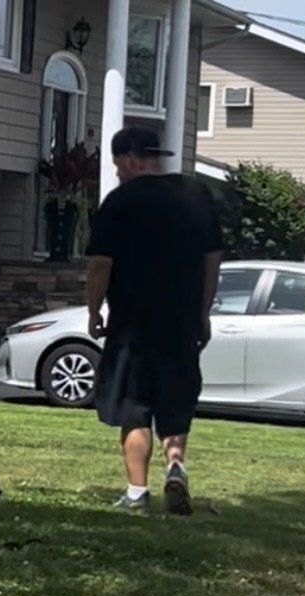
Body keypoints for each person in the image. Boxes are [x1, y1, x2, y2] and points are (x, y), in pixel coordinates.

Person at [84, 126, 224, 515]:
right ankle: (176, 466)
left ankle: (136, 494)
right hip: (180, 324)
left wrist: (95, 310)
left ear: (130, 159)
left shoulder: (120, 201)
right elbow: (213, 260)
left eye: (117, 165)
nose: (117, 173)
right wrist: (202, 311)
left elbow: (100, 265)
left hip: (132, 325)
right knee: (174, 404)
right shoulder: (196, 196)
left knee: (134, 409)